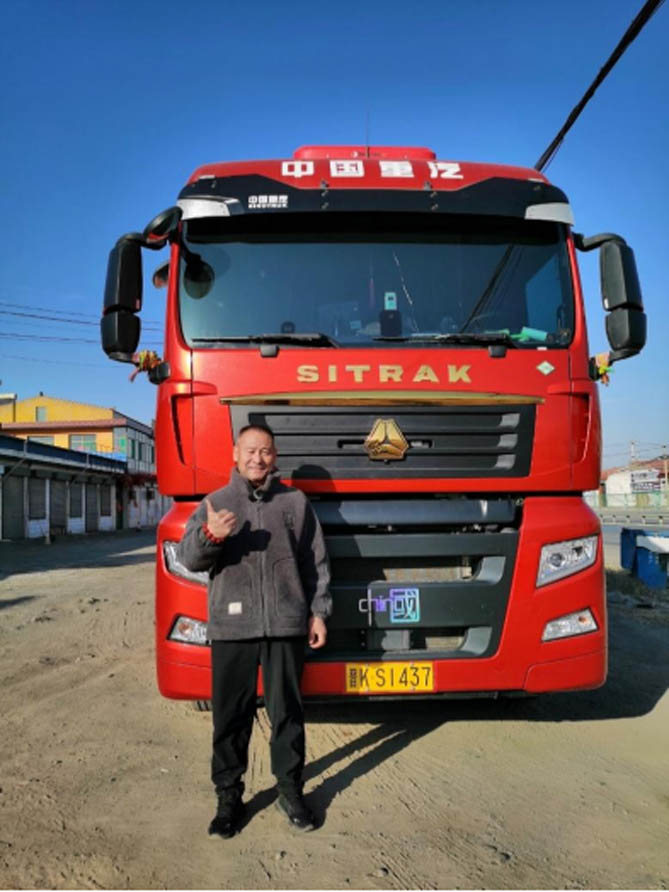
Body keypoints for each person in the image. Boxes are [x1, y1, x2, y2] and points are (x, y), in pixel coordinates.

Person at [177, 424, 331, 838]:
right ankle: (229, 797)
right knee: (230, 716)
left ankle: (290, 791)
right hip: (233, 627)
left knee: (287, 714)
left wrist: (318, 612)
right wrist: (210, 536)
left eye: (265, 451)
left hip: (286, 623)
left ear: (274, 457)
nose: (257, 458)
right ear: (235, 454)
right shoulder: (215, 502)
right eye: (250, 450)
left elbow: (314, 562)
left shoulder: (294, 503)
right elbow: (189, 558)